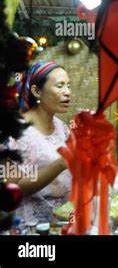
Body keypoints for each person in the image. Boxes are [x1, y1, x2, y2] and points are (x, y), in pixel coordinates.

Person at [7, 61, 71, 223]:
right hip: (31, 227)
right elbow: (11, 189)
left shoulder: (61, 126)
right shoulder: (18, 133)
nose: (67, 92)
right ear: (36, 91)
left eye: (68, 86)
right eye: (60, 86)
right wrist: (61, 163)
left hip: (62, 220)